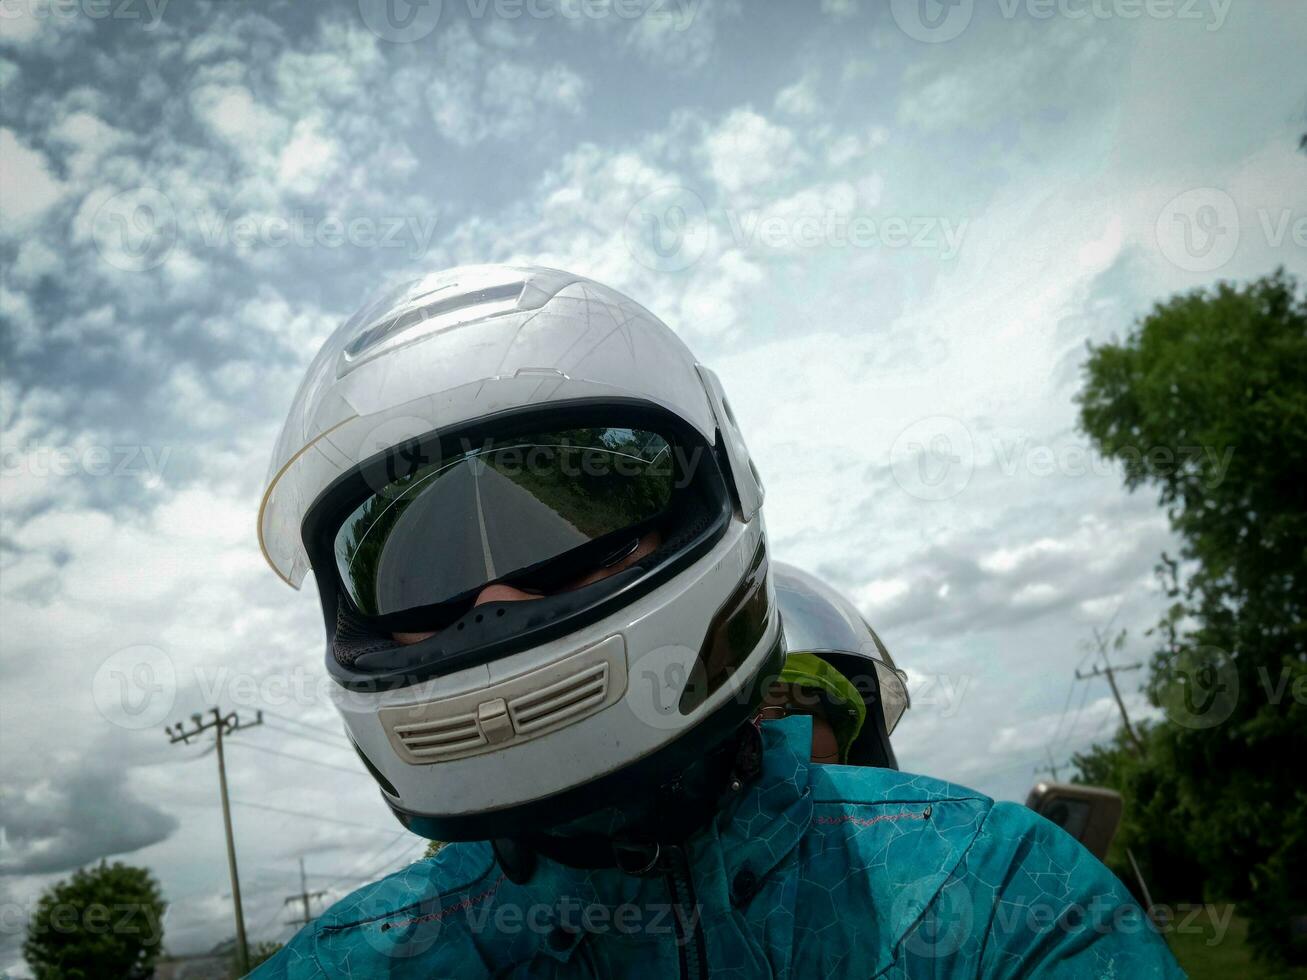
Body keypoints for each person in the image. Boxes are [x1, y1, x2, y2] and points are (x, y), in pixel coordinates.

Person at [252, 265, 1182, 978]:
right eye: (420, 574)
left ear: (711, 488)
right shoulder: (348, 962)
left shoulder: (990, 893)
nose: (495, 600)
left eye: (571, 530)